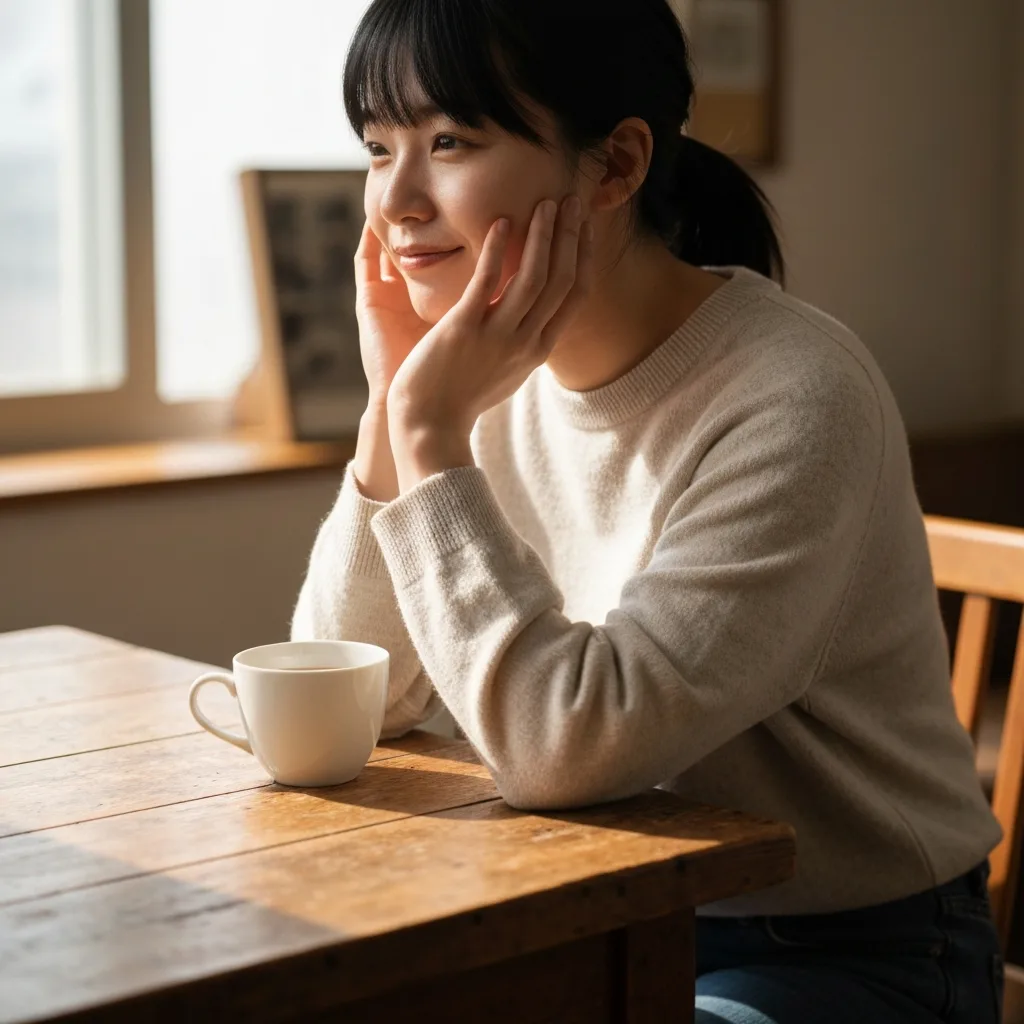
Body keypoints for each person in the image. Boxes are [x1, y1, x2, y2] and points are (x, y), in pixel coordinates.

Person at [290, 1, 1004, 1020]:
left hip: (834, 950)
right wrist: (391, 412)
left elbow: (565, 745)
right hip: (580, 908)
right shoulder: (470, 379)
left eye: (449, 141)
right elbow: (342, 705)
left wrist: (433, 431)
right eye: (376, 146)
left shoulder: (797, 396)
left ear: (615, 166)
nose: (395, 200)